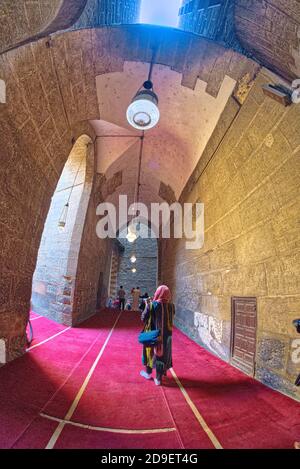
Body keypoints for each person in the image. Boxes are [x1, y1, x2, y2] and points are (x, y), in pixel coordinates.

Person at [140, 285, 175, 386]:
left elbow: (143, 318)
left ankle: (148, 373)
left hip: (153, 335)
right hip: (166, 337)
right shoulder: (171, 306)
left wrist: (147, 304)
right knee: (162, 355)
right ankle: (158, 379)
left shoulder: (153, 305)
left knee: (150, 353)